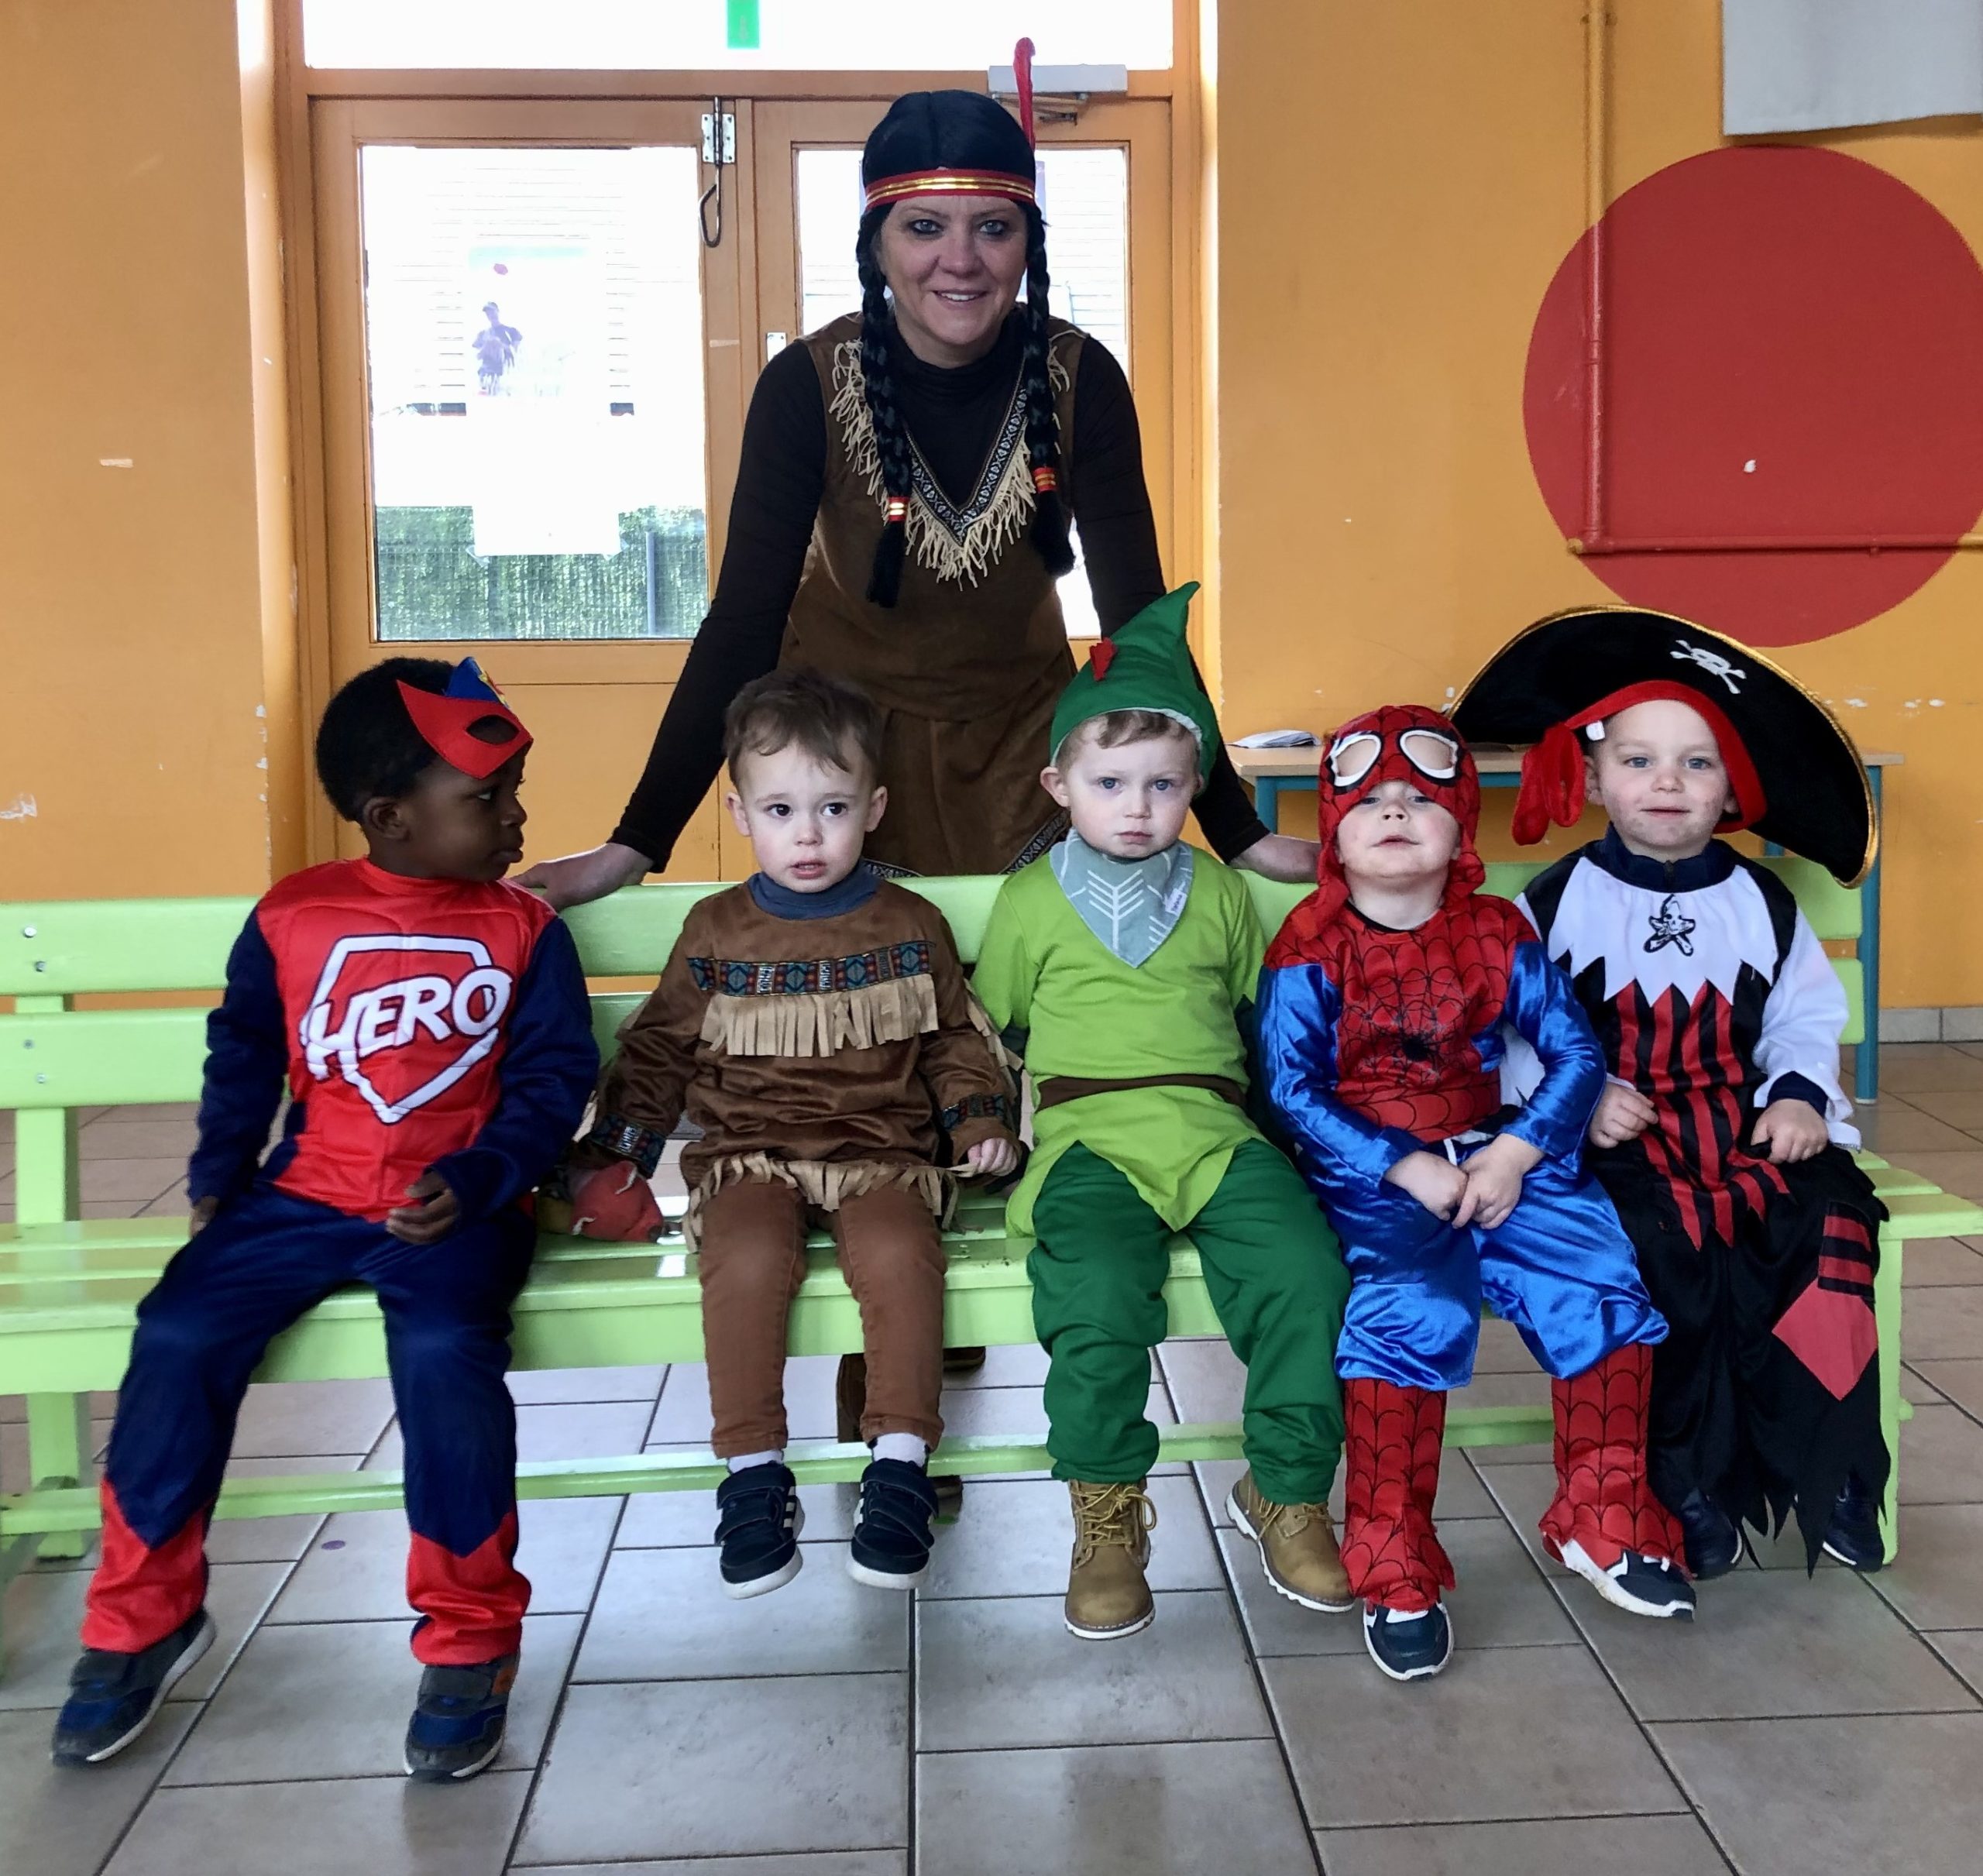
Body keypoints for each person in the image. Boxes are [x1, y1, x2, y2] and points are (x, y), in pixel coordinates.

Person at [519, 65, 1313, 907]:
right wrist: (634, 844)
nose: (960, 260)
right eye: (924, 226)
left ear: (1029, 243)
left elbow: (1140, 625)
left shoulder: (1080, 378)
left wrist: (1241, 834)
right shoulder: (806, 385)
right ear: (877, 244)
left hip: (1030, 761)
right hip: (840, 769)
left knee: (1033, 985)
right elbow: (746, 623)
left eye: (994, 227)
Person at [50, 658, 597, 1782]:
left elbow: (553, 1080)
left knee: (444, 1355)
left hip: (458, 1209)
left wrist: (484, 1175)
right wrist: (218, 1177)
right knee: (176, 1333)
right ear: (391, 818)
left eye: (513, 792)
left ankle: (470, 1636)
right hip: (301, 1195)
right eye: (486, 799)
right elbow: (245, 1051)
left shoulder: (526, 930)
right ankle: (142, 1615)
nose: (515, 818)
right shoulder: (293, 916)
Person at [555, 668, 1019, 1596]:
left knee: (899, 1256)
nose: (807, 835)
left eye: (833, 808)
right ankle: (753, 1473)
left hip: (881, 1155)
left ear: (873, 808)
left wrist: (977, 1120)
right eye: (780, 810)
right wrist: (615, 1157)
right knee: (746, 1258)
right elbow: (659, 1050)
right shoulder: (716, 929)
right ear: (739, 813)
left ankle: (899, 1465)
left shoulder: (909, 922)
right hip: (747, 1158)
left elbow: (953, 1039)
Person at [1256, 704, 1693, 1683]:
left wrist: (1517, 1152)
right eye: (1370, 802)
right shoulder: (1309, 942)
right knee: (1409, 1309)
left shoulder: (1497, 931)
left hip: (1498, 1150)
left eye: (1421, 800)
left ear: (1460, 831)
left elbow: (1575, 1054)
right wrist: (1401, 1163)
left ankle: (1602, 1512)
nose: (1395, 813)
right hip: (1375, 1170)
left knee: (1595, 1279)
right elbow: (1291, 1087)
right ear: (1334, 836)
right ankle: (1392, 1557)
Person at [1455, 606, 1888, 1578]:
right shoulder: (1551, 904)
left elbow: (1802, 1018)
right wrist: (1578, 1095)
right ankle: (1677, 1480)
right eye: (1639, 760)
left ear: (1730, 789)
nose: (1666, 782)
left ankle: (1831, 1462)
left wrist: (1798, 1097)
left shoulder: (1762, 902)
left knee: (1824, 1228)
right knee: (1653, 1249)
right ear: (1593, 777)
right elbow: (1508, 1030)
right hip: (1618, 1145)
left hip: (1743, 1129)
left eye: (1696, 764)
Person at [972, 585, 1353, 1642]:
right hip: (1088, 1139)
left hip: (1217, 1131)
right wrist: (977, 1128)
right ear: (1060, 786)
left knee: (1307, 1271)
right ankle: (1105, 1515)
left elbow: (1261, 1022)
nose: (1136, 806)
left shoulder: (1222, 895)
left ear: (1195, 786)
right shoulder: (1030, 900)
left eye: (1163, 783)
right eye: (1109, 782)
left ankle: (1285, 1489)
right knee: (1095, 1292)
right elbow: (992, 1027)